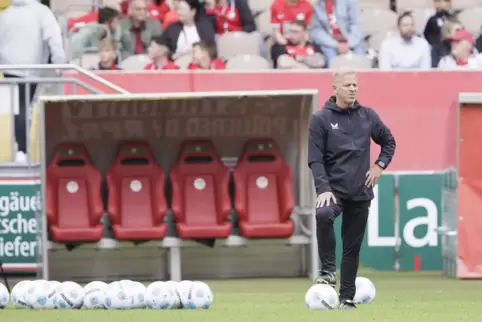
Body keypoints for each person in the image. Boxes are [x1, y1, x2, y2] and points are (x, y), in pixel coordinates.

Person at [307, 69, 396, 310]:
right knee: (323, 214)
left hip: (360, 191)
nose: (353, 89)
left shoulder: (368, 115)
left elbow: (389, 142)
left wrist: (380, 165)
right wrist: (323, 188)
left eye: (355, 85)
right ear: (335, 88)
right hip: (333, 191)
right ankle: (327, 270)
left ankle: (346, 299)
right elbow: (315, 159)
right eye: (347, 85)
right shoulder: (320, 119)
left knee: (352, 248)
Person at [0, 0, 65, 162]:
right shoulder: (42, 12)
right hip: (32, 68)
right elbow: (53, 37)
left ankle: (21, 148)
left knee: (19, 107)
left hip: (8, 68)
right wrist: (59, 62)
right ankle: (22, 149)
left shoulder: (5, 14)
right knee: (24, 108)